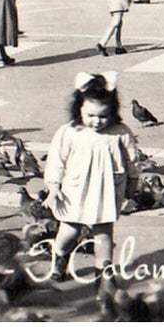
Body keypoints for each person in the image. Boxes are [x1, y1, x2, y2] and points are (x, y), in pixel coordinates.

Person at [41, 72, 142, 281]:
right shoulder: (69, 132)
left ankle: (103, 277)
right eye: (90, 115)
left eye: (103, 116)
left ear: (113, 112)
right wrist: (54, 187)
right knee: (69, 231)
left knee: (104, 235)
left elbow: (133, 160)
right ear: (79, 109)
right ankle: (59, 260)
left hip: (107, 190)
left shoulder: (120, 133)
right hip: (75, 191)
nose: (96, 121)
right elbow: (56, 161)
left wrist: (133, 184)